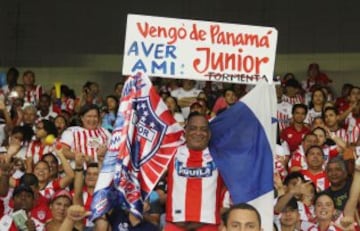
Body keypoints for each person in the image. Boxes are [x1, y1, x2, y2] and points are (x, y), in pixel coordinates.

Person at [165, 112, 223, 231]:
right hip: (174, 226)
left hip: (208, 227)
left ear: (209, 134)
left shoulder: (220, 156)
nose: (198, 133)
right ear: (185, 131)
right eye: (193, 128)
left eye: (203, 129)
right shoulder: (171, 153)